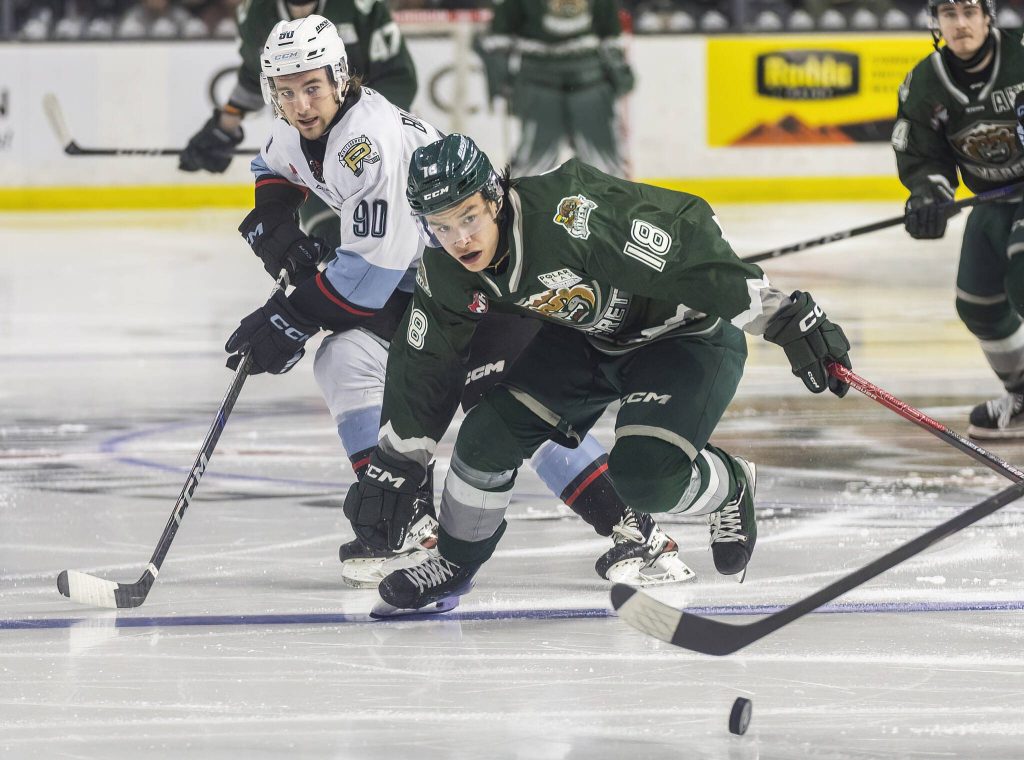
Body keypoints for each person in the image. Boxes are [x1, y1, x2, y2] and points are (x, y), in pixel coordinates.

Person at [222, 15, 693, 591]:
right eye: (286, 91)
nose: (300, 104)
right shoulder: (294, 130)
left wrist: (288, 319)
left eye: (312, 86)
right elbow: (273, 165)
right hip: (420, 288)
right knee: (345, 359)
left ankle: (640, 534)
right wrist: (274, 219)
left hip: (484, 283)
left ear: (340, 78)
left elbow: (367, 279)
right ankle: (412, 524)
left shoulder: (372, 143)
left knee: (507, 405)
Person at [343, 132, 854, 616]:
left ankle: (732, 484)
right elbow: (425, 361)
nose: (459, 238)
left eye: (469, 217)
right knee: (485, 437)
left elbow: (685, 241)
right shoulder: (447, 268)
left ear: (493, 197)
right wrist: (397, 462)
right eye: (440, 225)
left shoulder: (570, 215)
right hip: (588, 341)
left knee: (645, 477)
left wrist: (783, 317)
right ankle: (455, 561)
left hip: (684, 338)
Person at [180, 0, 418, 247]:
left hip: (371, 150)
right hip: (312, 150)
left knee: (391, 245)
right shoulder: (255, 14)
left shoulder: (361, 7)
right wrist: (225, 125)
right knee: (333, 244)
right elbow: (254, 76)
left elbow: (397, 77)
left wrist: (356, 130)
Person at [894, 0, 1024, 439]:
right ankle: (1023, 395)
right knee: (979, 306)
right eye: (949, 13)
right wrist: (930, 194)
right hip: (993, 199)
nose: (960, 23)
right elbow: (923, 154)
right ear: (937, 22)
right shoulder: (925, 83)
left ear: (988, 16)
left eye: (969, 11)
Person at [475, 0, 634, 178]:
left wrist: (618, 69)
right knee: (534, 164)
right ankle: (526, 201)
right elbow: (499, 36)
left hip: (586, 82)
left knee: (603, 162)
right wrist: (500, 72)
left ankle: (614, 198)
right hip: (542, 83)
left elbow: (610, 34)